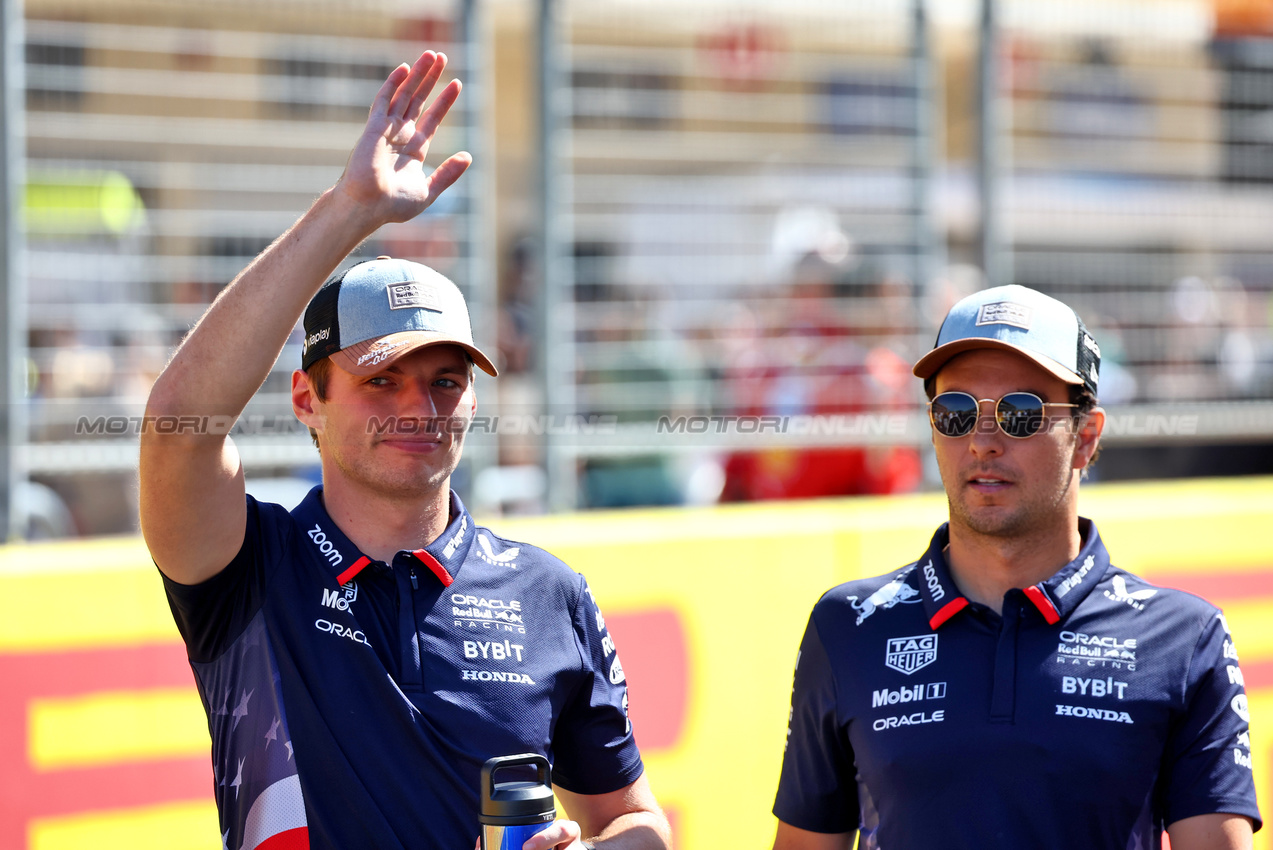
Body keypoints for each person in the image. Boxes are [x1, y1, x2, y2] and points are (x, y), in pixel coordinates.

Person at [139, 51, 672, 850]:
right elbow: (182, 422)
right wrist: (347, 212)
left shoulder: (547, 590)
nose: (419, 408)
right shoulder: (250, 568)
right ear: (305, 402)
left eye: (446, 382)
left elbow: (634, 819)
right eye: (381, 382)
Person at [771, 284, 1260, 849]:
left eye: (1020, 414)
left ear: (1086, 437)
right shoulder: (848, 625)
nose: (982, 441)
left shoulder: (1184, 638)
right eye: (955, 412)